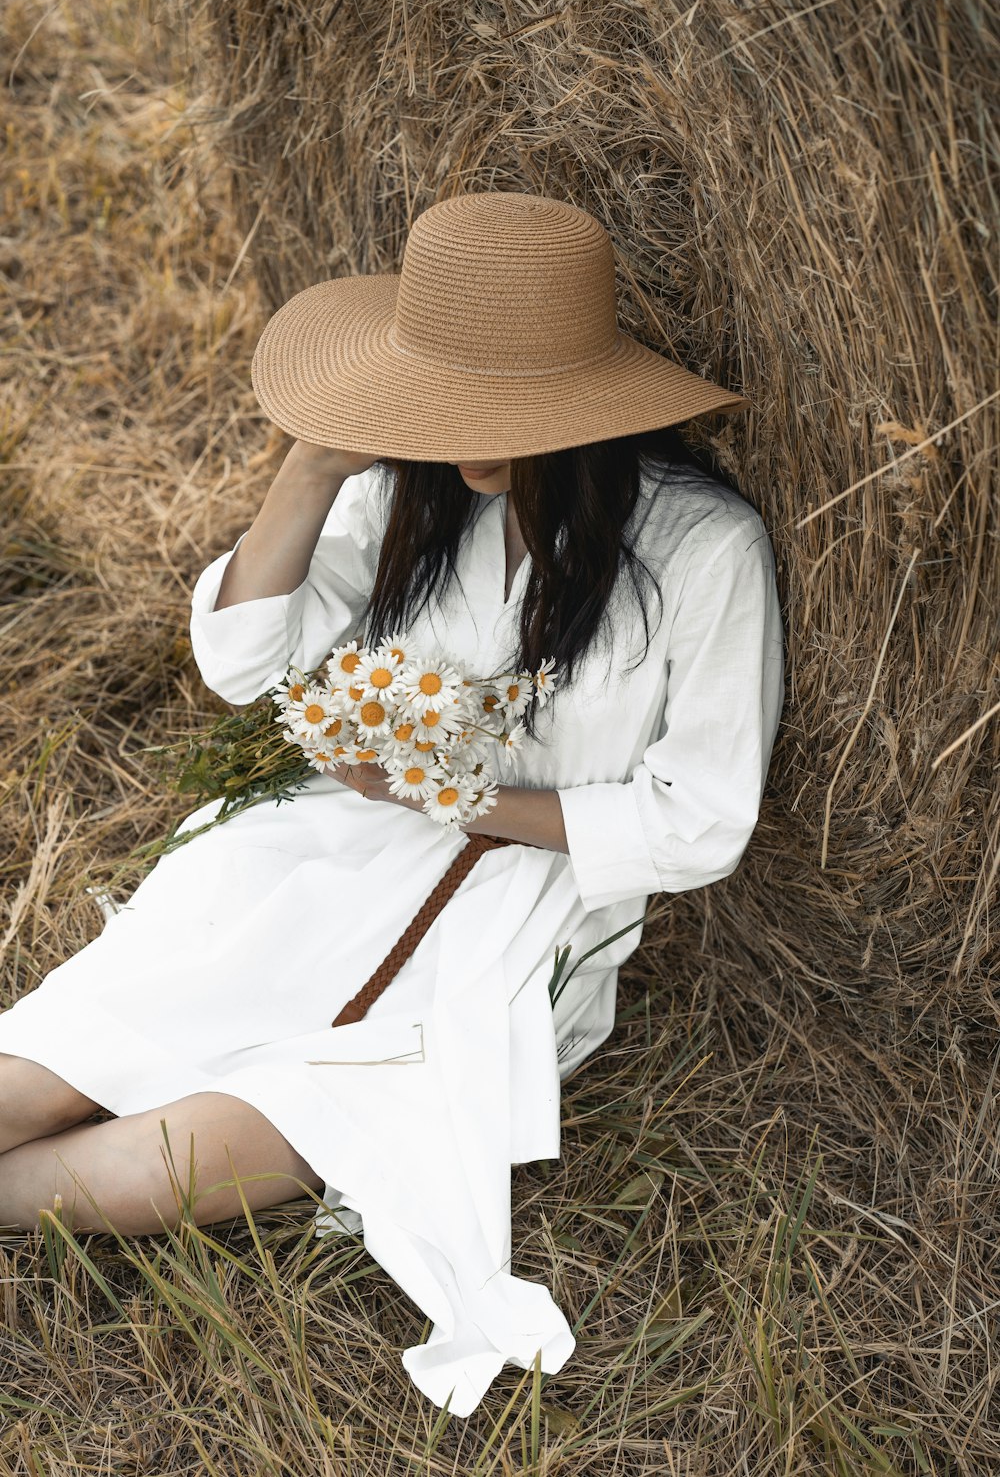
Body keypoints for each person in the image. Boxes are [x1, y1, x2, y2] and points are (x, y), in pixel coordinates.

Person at [0, 190, 785, 1416]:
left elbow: (698, 819)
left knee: (189, 1155)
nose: (449, 428)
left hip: (517, 910)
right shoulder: (408, 490)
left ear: (576, 405)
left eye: (483, 403)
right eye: (433, 389)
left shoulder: (701, 552)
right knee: (64, 1058)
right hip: (322, 845)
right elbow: (240, 662)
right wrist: (317, 455)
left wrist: (465, 798)